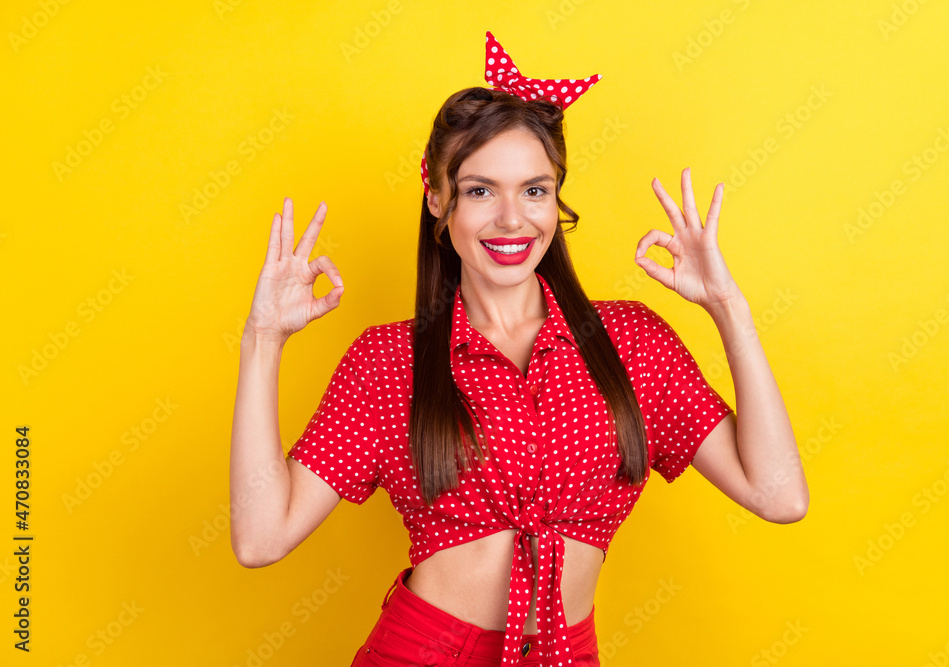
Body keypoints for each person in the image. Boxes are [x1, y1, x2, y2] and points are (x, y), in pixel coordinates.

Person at [229, 31, 807, 667]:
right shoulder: (389, 361)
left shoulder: (631, 344)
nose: (512, 218)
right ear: (437, 201)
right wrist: (263, 340)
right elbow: (262, 537)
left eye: (534, 190)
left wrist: (729, 309)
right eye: (480, 190)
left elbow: (778, 495)